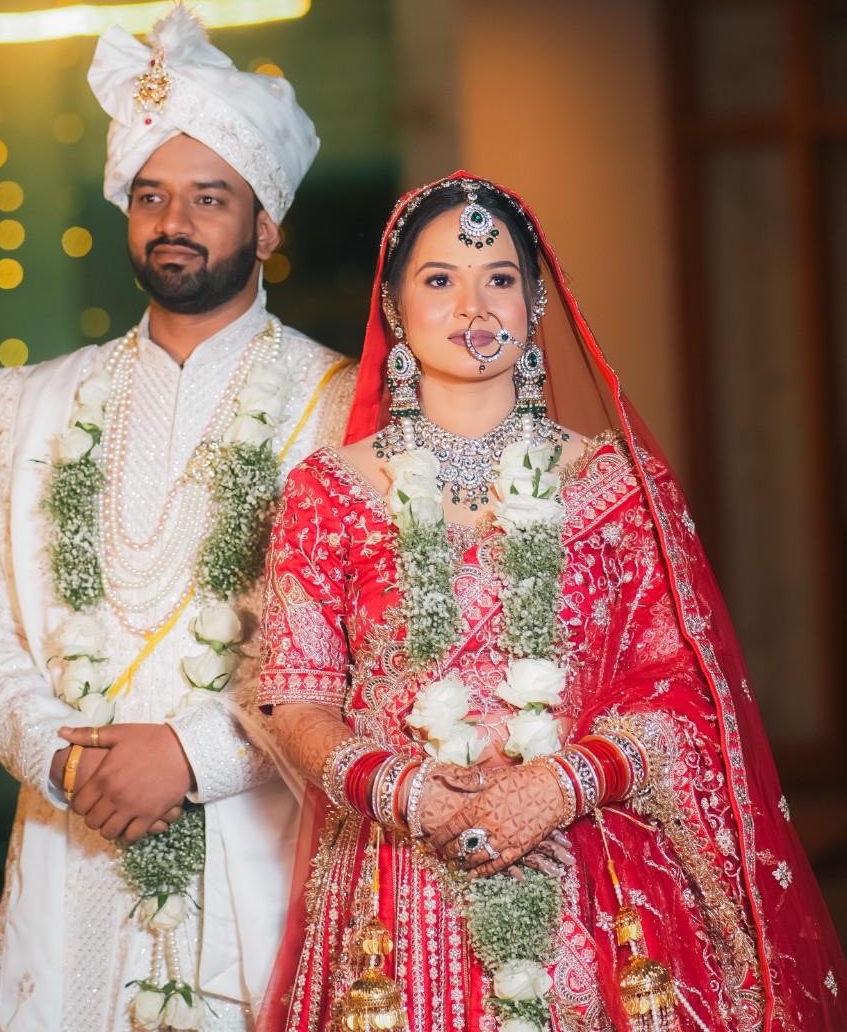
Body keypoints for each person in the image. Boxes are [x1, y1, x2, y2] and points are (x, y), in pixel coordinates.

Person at [257, 173, 846, 1032]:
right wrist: (406, 791)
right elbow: (294, 696)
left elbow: (685, 693)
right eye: (439, 279)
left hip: (589, 870)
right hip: (397, 880)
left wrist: (559, 784)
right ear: (392, 307)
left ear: (533, 304)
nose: (472, 305)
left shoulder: (613, 487)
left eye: (498, 278)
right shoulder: (326, 494)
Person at [0, 5, 357, 1032]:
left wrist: (189, 755)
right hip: (68, 847)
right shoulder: (35, 401)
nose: (174, 219)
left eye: (209, 197)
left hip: (257, 851)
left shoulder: (343, 408)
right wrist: (65, 759)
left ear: (265, 225)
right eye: (151, 195)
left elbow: (366, 650)